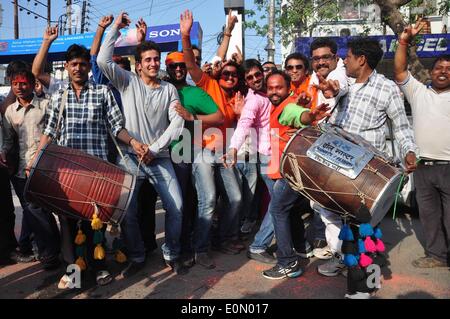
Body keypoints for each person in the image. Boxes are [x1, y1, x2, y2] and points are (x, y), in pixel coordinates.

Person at [318, 38, 418, 298]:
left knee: (363, 231)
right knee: (335, 218)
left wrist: (409, 151)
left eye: (348, 57)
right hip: (338, 167)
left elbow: (402, 127)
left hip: (367, 172)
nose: (345, 61)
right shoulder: (345, 86)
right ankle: (348, 261)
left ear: (361, 59)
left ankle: (365, 287)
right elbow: (334, 95)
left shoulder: (387, 89)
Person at [31, 43, 135, 287]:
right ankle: (73, 274)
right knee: (67, 224)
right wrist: (37, 158)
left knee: (94, 222)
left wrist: (134, 143)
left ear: (89, 67)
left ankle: (99, 268)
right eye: (74, 64)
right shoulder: (59, 95)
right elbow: (49, 130)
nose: (78, 68)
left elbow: (116, 127)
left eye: (83, 64)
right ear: (66, 67)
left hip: (97, 170)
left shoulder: (103, 93)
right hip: (67, 172)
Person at [97, 13, 186, 275]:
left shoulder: (169, 90)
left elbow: (176, 124)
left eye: (156, 59)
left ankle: (171, 252)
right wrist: (115, 28)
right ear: (138, 65)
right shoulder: (127, 82)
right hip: (129, 158)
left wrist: (154, 149)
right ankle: (136, 256)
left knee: (176, 207)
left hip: (159, 158)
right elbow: (102, 59)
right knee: (128, 211)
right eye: (147, 59)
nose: (153, 63)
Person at [180, 10, 244, 268]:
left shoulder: (236, 98)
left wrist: (239, 116)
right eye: (225, 73)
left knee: (236, 198)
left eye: (233, 74)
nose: (229, 76)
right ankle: (201, 248)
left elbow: (238, 129)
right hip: (202, 152)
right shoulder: (208, 85)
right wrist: (185, 36)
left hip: (225, 152)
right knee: (207, 200)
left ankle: (226, 238)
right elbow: (191, 64)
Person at [260, 70, 329, 279]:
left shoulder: (288, 106)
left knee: (278, 210)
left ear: (288, 87)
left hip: (290, 172)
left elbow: (299, 116)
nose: (274, 91)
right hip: (288, 170)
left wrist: (309, 116)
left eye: (278, 87)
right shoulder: (284, 104)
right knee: (289, 211)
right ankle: (301, 247)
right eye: (270, 88)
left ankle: (287, 262)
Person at [394, 20, 450, 268]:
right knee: (429, 216)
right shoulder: (419, 93)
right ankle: (437, 256)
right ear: (431, 71)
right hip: (424, 167)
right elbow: (399, 72)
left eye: (449, 69)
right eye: (439, 67)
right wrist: (404, 41)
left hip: (449, 168)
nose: (443, 71)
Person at [165, 51, 223, 267]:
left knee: (207, 198)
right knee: (179, 205)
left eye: (182, 65)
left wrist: (193, 117)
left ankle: (201, 247)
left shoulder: (195, 93)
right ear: (167, 68)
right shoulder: (162, 89)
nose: (178, 69)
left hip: (197, 150)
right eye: (173, 66)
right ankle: (178, 249)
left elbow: (219, 117)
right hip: (170, 155)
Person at [2, 68, 61, 269]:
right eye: (15, 84)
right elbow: (9, 141)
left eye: (23, 83)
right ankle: (50, 252)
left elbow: (55, 134)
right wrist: (4, 152)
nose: (19, 87)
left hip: (45, 169)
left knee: (41, 210)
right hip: (20, 171)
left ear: (31, 83)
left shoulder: (45, 105)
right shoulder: (9, 112)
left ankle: (51, 251)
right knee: (34, 211)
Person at [307, 38, 350, 260]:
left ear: (335, 57)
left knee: (337, 210)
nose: (321, 62)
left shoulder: (339, 74)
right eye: (316, 58)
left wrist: (331, 90)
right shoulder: (314, 77)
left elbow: (336, 87)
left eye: (326, 57)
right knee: (326, 210)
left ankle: (345, 258)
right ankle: (340, 255)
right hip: (322, 150)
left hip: (342, 152)